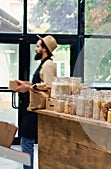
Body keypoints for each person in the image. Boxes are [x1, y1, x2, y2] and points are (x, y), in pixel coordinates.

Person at [13, 35, 57, 169]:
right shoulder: (43, 64)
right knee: (26, 141)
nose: (36, 49)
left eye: (38, 46)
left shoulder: (48, 65)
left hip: (37, 110)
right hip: (33, 108)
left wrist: (28, 87)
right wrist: (26, 85)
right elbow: (39, 85)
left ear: (44, 49)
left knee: (26, 142)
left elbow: (49, 88)